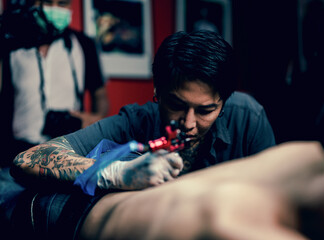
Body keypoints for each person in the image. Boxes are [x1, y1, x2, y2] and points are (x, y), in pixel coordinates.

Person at [4, 30, 276, 239]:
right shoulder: (135, 121)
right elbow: (27, 160)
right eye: (177, 105)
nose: (189, 123)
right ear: (157, 92)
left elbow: (275, 200)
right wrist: (115, 173)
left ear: (225, 102)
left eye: (206, 110)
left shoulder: (249, 118)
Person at [0, 0, 109, 167]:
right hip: (15, 157)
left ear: (71, 8)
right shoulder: (11, 45)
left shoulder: (84, 45)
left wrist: (95, 120)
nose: (55, 9)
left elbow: (99, 93)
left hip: (67, 155)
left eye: (63, 3)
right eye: (48, 2)